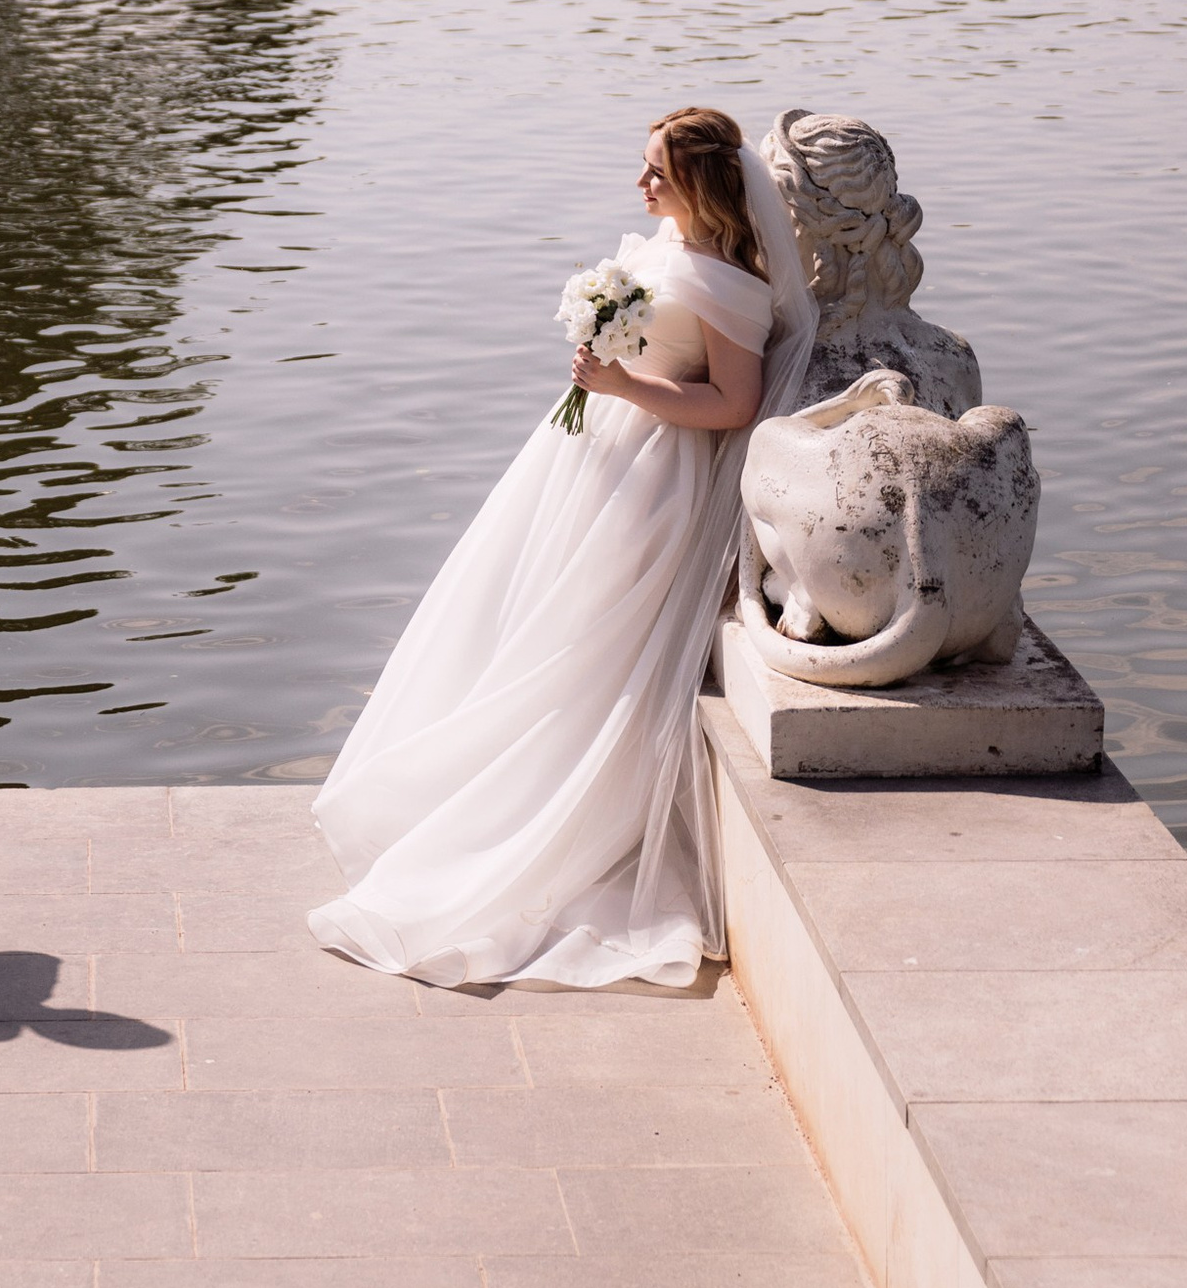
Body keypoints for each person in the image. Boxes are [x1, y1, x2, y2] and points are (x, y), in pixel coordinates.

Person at [308, 105, 815, 989]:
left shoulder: (731, 288)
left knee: (587, 644)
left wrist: (623, 380)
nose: (641, 183)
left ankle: (551, 823)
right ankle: (475, 797)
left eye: (656, 170)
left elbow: (735, 403)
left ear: (697, 181)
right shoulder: (660, 252)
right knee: (524, 619)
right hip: (586, 459)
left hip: (653, 477)